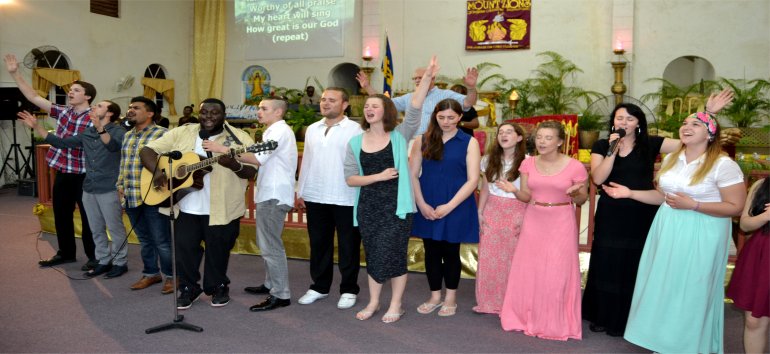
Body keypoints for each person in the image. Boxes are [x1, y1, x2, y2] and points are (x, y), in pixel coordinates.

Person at [582, 91, 735, 337]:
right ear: (613, 122)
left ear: (638, 123)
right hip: (612, 212)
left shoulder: (652, 143)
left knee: (638, 262)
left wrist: (710, 113)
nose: (624, 123)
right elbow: (598, 177)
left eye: (630, 119)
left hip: (643, 209)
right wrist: (613, 148)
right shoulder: (602, 145)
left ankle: (635, 317)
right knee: (606, 261)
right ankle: (604, 315)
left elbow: (693, 141)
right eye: (620, 118)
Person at [605, 112, 746, 353]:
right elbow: (664, 197)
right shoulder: (672, 158)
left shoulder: (723, 165)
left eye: (695, 124)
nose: (686, 127)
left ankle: (688, 345)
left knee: (692, 288)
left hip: (703, 232)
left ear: (710, 133)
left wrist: (696, 205)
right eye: (684, 123)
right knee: (664, 285)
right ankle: (665, 342)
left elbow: (736, 206)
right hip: (668, 228)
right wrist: (631, 193)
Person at [140, 98, 258, 310]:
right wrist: (158, 173)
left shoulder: (239, 138)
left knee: (219, 250)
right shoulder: (182, 132)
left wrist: (233, 165)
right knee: (184, 251)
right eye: (205, 113)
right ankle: (188, 288)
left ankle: (218, 286)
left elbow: (252, 171)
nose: (209, 117)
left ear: (224, 116)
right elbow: (147, 150)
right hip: (184, 205)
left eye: (215, 113)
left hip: (223, 208)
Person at [343, 56, 436, 324]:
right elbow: (351, 179)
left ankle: (395, 304)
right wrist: (377, 176)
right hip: (369, 207)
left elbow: (416, 106)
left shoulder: (400, 135)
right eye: (367, 106)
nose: (370, 109)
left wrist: (427, 76)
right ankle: (374, 302)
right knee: (373, 254)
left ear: (386, 110)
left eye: (375, 105)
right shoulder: (355, 142)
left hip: (397, 208)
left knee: (393, 254)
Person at [4, 54, 96, 271]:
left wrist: (38, 128)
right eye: (70, 90)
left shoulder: (94, 118)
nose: (70, 92)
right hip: (64, 171)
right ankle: (66, 253)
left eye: (76, 90)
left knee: (88, 216)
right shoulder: (64, 111)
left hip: (85, 174)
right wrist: (14, 73)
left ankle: (95, 256)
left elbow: (69, 144)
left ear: (88, 96)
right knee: (61, 213)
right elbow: (34, 96)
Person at [498, 120, 588, 341]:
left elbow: (583, 199)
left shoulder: (575, 166)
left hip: (561, 219)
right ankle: (524, 317)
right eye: (539, 137)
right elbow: (527, 196)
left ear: (559, 142)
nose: (542, 142)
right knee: (530, 270)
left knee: (557, 272)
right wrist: (513, 190)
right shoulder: (528, 164)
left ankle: (555, 322)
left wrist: (576, 192)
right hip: (534, 218)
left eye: (548, 138)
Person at [18, 101, 129, 278]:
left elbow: (112, 146)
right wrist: (37, 126)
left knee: (115, 227)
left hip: (109, 187)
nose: (94, 108)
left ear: (110, 113)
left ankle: (120, 263)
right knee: (96, 228)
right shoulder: (88, 132)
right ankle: (103, 260)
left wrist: (100, 127)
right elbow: (61, 143)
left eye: (99, 106)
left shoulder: (120, 132)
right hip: (89, 187)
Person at [210, 98, 297, 312]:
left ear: (278, 112)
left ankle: (280, 294)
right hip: (270, 192)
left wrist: (222, 149)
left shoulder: (278, 131)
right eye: (259, 108)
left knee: (270, 245)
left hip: (274, 194)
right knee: (266, 241)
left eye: (264, 108)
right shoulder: (273, 130)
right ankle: (270, 284)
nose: (258, 111)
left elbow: (258, 159)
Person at [409, 98, 481, 317]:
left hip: (456, 203)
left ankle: (450, 297)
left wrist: (449, 206)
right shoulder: (422, 139)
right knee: (431, 252)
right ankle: (434, 296)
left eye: (451, 117)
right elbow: (412, 174)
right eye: (441, 117)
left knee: (451, 252)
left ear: (460, 117)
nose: (446, 121)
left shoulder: (469, 142)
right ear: (435, 117)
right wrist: (421, 203)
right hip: (427, 201)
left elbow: (473, 180)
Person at [295, 87, 364, 309]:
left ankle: (349, 289)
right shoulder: (312, 129)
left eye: (332, 100)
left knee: (348, 245)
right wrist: (301, 189)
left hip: (346, 195)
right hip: (316, 194)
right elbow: (306, 161)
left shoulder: (356, 129)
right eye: (324, 100)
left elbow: (361, 163)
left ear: (345, 104)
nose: (325, 103)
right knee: (319, 244)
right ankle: (319, 287)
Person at [117, 97, 174, 293]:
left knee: (161, 240)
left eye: (136, 108)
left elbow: (171, 165)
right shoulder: (128, 135)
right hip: (131, 194)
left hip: (154, 195)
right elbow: (124, 164)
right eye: (130, 107)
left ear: (150, 113)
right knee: (144, 239)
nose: (130, 110)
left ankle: (172, 276)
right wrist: (120, 185)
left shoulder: (163, 134)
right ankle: (151, 273)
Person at [473, 122, 527, 315]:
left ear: (519, 137)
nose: (503, 135)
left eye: (509, 132)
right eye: (500, 133)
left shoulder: (527, 162)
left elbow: (528, 193)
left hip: (516, 209)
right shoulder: (488, 160)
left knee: (513, 257)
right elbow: (485, 188)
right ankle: (488, 301)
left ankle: (511, 302)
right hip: (493, 209)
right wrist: (480, 212)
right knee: (490, 257)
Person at [357, 65, 478, 135]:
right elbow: (383, 103)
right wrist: (367, 87)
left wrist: (471, 88)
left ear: (432, 79)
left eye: (421, 77)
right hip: (411, 143)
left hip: (437, 144)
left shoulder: (445, 94)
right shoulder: (409, 97)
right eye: (415, 78)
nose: (417, 80)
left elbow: (468, 102)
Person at [727, 177, 770, 354]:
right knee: (754, 320)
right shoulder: (762, 184)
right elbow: (744, 224)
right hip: (761, 255)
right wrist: (765, 216)